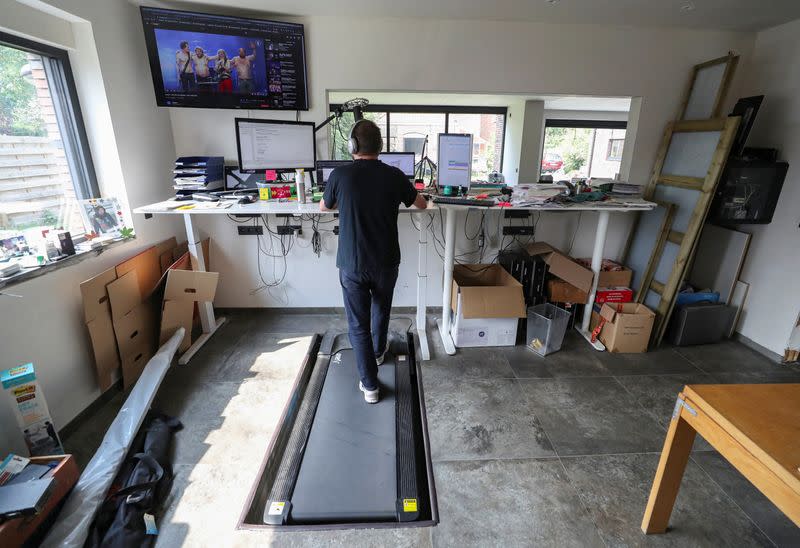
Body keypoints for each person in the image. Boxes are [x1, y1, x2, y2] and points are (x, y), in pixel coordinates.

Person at [320, 120, 428, 404]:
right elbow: (421, 204)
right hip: (386, 261)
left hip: (352, 263)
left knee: (358, 323)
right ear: (380, 146)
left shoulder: (339, 175)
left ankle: (370, 386)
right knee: (381, 308)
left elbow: (324, 206)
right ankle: (379, 352)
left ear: (352, 147)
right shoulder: (394, 175)